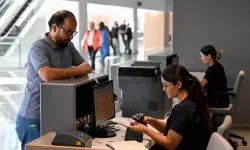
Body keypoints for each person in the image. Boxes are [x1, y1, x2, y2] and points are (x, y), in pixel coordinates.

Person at [15, 10, 92, 150]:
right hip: (34, 118)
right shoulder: (38, 47)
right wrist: (75, 71)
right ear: (55, 27)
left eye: (73, 33)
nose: (71, 37)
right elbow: (47, 75)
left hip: (56, 115)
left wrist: (72, 71)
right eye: (68, 32)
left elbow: (86, 67)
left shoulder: (68, 46)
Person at [130, 64, 212, 150]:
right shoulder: (192, 101)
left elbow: (170, 143)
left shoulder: (183, 109)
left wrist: (145, 130)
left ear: (178, 84)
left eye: (166, 85)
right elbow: (175, 130)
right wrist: (151, 121)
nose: (163, 89)